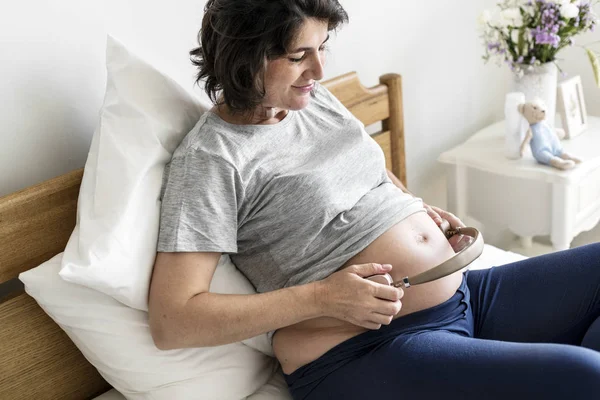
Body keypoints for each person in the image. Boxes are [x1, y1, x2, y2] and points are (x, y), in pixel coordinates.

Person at [148, 0, 600, 398]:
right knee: (583, 373)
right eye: (298, 55)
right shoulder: (212, 159)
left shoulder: (312, 99)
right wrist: (323, 297)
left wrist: (415, 211)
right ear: (243, 58)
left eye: (323, 46)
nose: (319, 70)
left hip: (462, 295)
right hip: (367, 348)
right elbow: (174, 319)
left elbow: (366, 170)